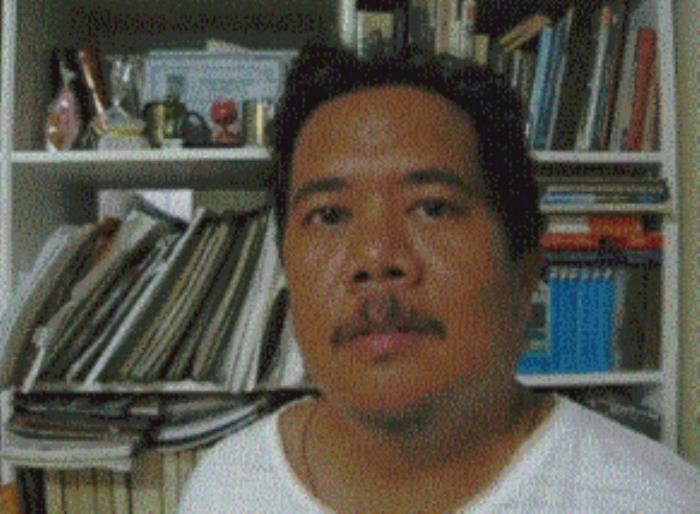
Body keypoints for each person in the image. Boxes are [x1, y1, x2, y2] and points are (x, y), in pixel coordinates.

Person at [178, 41, 700, 513]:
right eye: (329, 215)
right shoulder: (226, 489)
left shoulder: (652, 500)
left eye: (432, 207)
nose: (376, 257)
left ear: (524, 265)